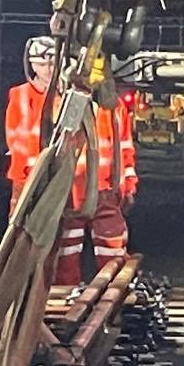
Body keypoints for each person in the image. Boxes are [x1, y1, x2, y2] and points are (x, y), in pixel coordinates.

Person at [54, 80, 136, 284]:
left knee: (113, 248)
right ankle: (66, 291)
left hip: (105, 190)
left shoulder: (114, 108)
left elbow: (125, 147)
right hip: (71, 192)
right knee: (66, 250)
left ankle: (112, 291)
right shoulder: (69, 105)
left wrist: (128, 185)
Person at [5, 36, 56, 211]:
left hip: (57, 175)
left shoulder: (64, 96)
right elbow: (13, 138)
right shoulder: (20, 94)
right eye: (42, 65)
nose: (48, 70)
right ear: (33, 65)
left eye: (51, 65)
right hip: (25, 175)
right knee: (22, 228)